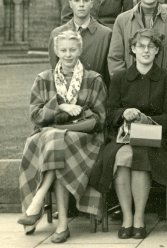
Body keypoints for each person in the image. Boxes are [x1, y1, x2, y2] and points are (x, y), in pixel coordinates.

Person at [18, 30, 107, 244]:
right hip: (49, 140)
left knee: (55, 138)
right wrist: (60, 106)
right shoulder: (44, 79)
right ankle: (62, 224)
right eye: (64, 50)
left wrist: (65, 123)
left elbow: (99, 119)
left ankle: (37, 202)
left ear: (80, 50)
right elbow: (35, 115)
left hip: (84, 139)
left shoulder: (93, 79)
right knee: (55, 141)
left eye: (73, 50)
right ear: (56, 51)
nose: (68, 55)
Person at [92, 29, 167, 240]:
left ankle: (139, 218)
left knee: (139, 155)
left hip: (155, 138)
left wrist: (147, 120)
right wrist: (125, 112)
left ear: (157, 50)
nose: (146, 50)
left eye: (151, 46)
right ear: (133, 49)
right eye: (141, 46)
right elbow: (110, 112)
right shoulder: (120, 77)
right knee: (123, 157)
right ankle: (127, 217)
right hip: (124, 137)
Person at [50, 0, 114, 86]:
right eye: (76, 0)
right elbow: (55, 70)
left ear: (92, 3)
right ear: (70, 4)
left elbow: (108, 75)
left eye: (85, 0)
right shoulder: (57, 33)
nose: (81, 4)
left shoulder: (106, 35)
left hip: (95, 94)